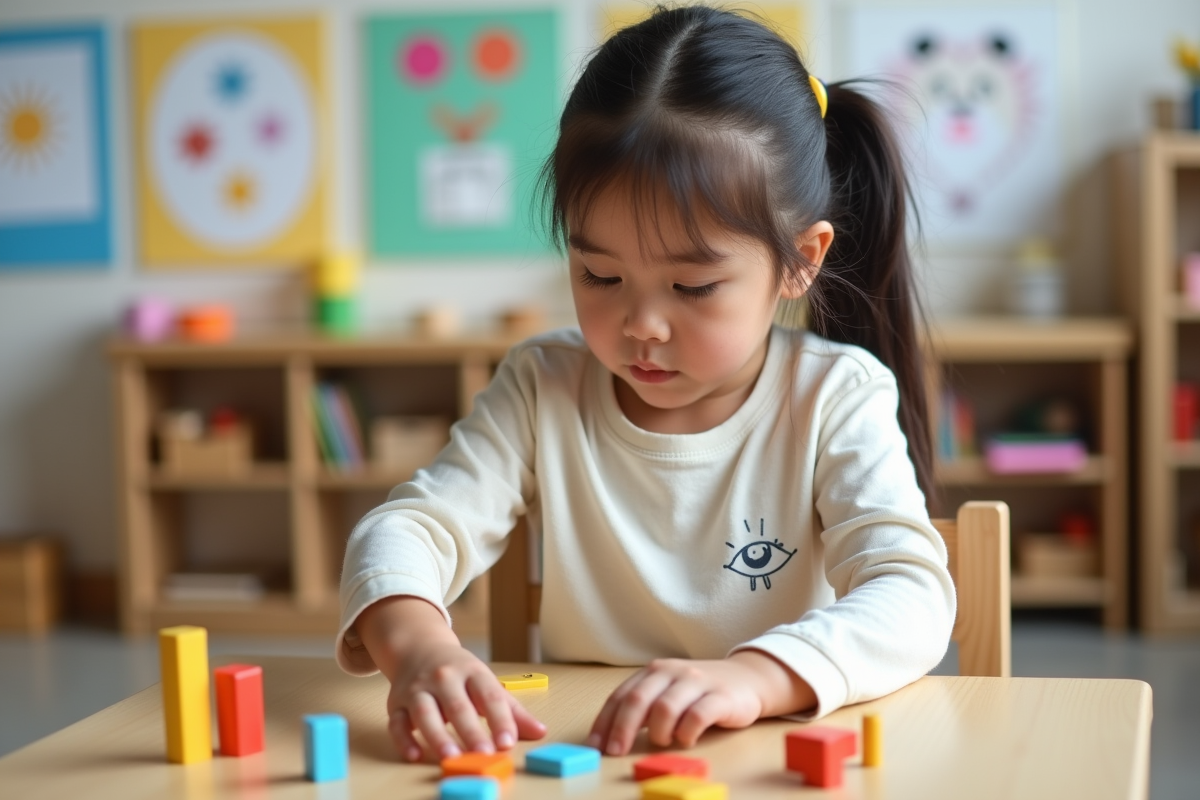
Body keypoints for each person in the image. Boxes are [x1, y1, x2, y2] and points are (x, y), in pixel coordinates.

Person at [337, 4, 955, 764]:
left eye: (693, 287)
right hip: (589, 755)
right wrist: (421, 647)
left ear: (801, 259)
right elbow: (406, 530)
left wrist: (755, 677)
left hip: (772, 752)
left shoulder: (834, 397)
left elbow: (912, 596)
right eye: (600, 275)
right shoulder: (542, 386)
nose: (642, 326)